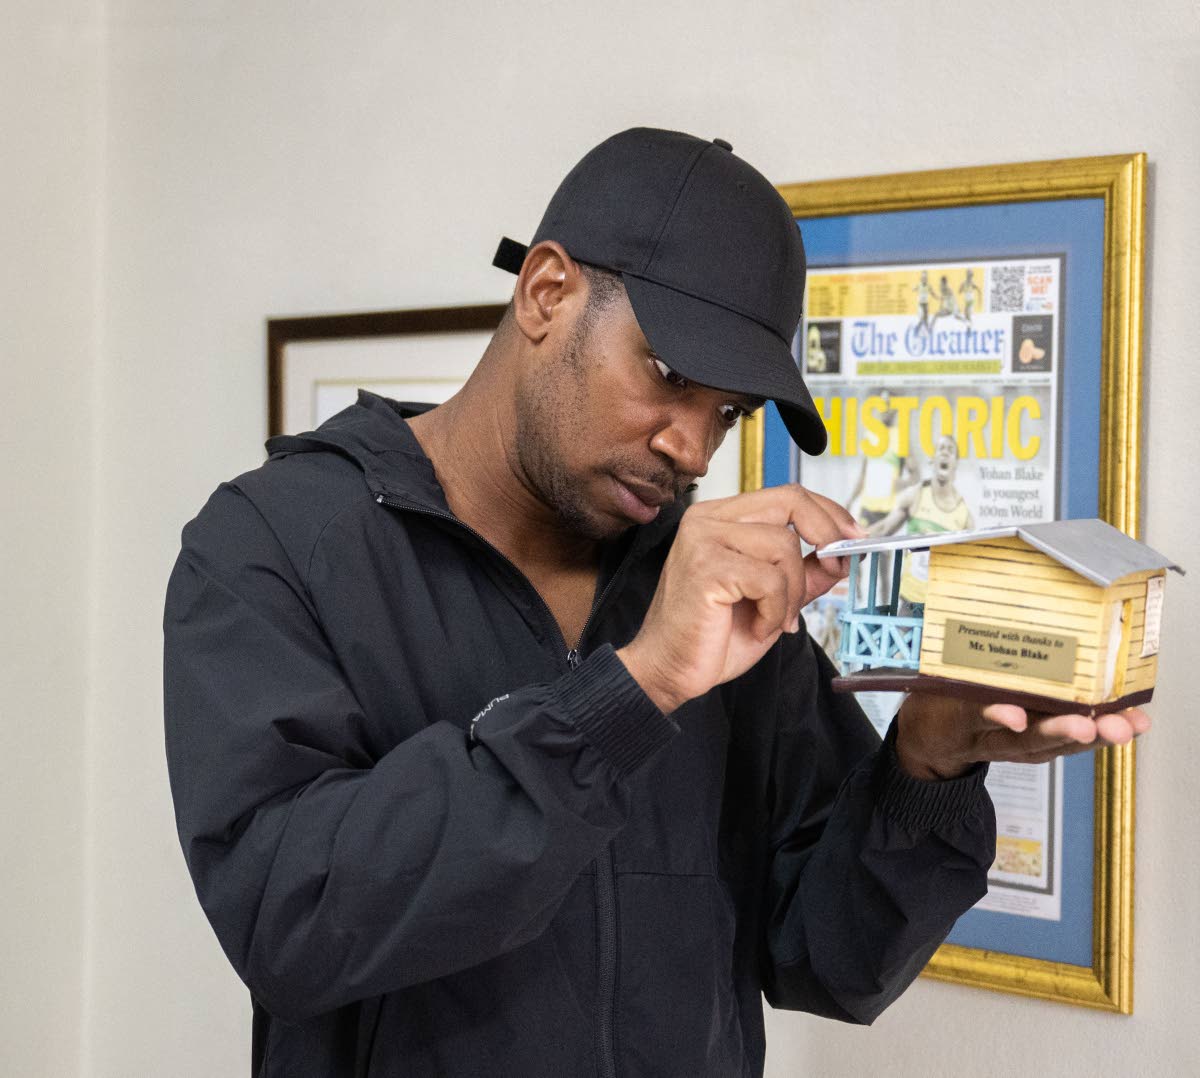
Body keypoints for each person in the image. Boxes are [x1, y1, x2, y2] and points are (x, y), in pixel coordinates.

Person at [163, 128, 1148, 1078]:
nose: (694, 445)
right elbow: (290, 922)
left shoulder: (710, 592)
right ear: (548, 291)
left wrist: (927, 763)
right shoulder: (274, 545)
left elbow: (826, 956)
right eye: (669, 374)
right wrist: (628, 692)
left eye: (725, 410)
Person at [868, 434, 975, 611]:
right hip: (909, 602)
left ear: (956, 463)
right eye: (941, 449)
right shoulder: (916, 495)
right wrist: (848, 537)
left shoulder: (964, 516)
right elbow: (884, 528)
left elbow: (968, 568)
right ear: (932, 460)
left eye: (951, 451)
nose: (945, 453)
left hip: (942, 607)